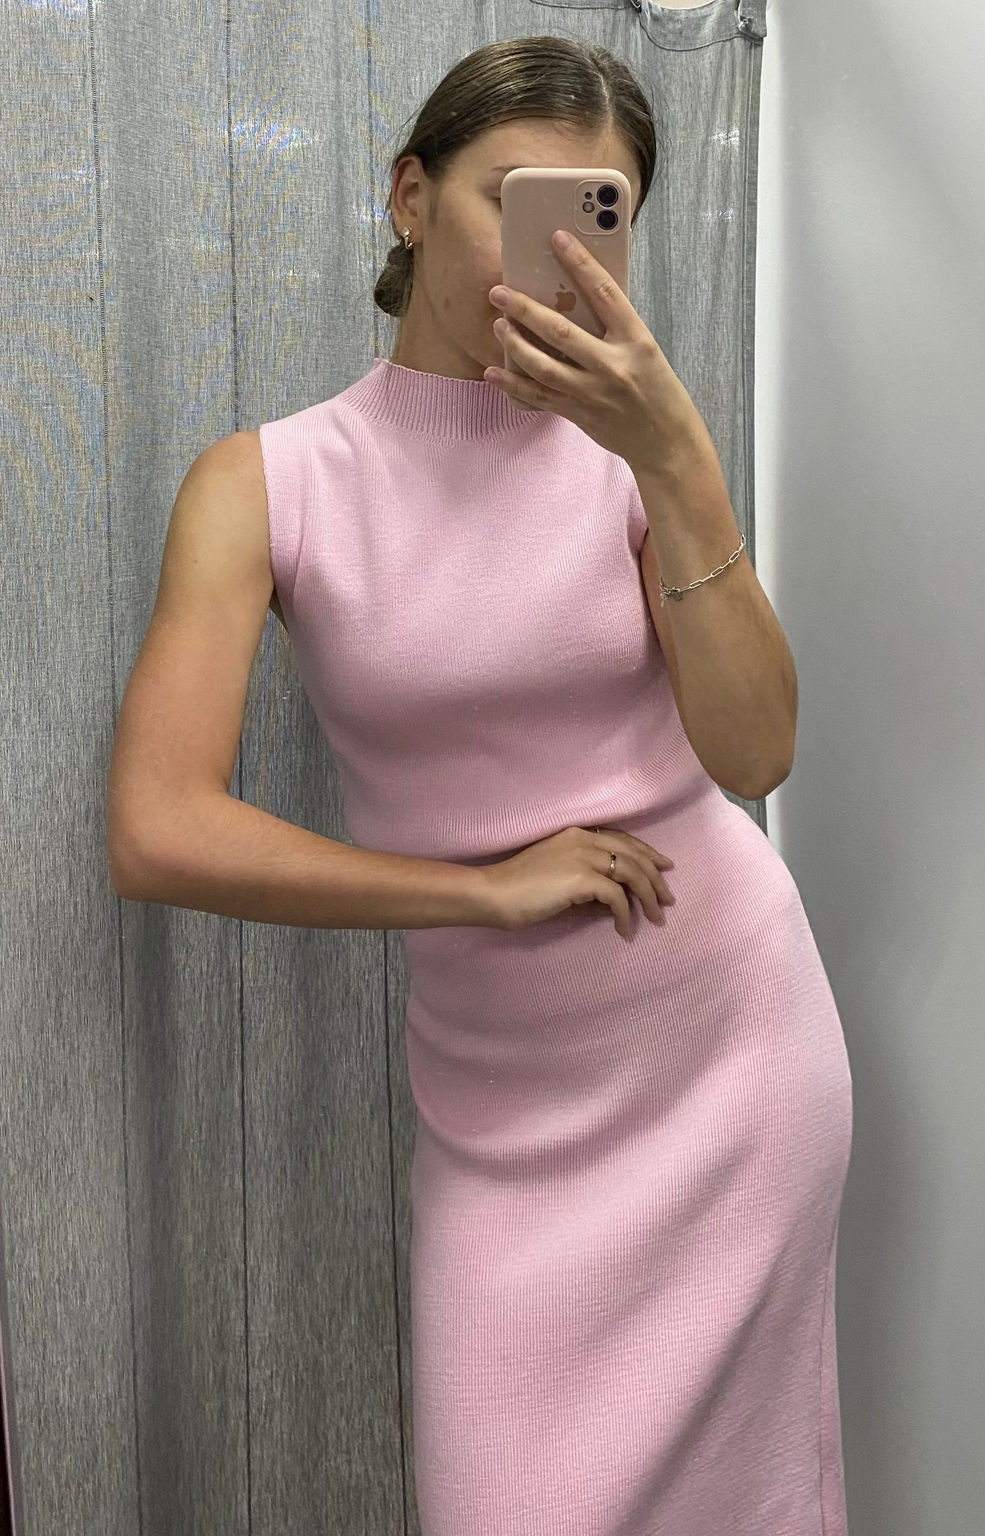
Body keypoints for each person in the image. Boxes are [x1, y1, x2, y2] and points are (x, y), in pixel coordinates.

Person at [106, 35, 853, 1536]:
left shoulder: (632, 460)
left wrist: (677, 457)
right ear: (409, 197)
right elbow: (157, 827)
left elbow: (756, 754)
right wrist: (482, 889)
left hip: (728, 1058)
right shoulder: (267, 482)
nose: (552, 251)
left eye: (596, 213)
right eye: (511, 199)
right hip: (501, 1117)